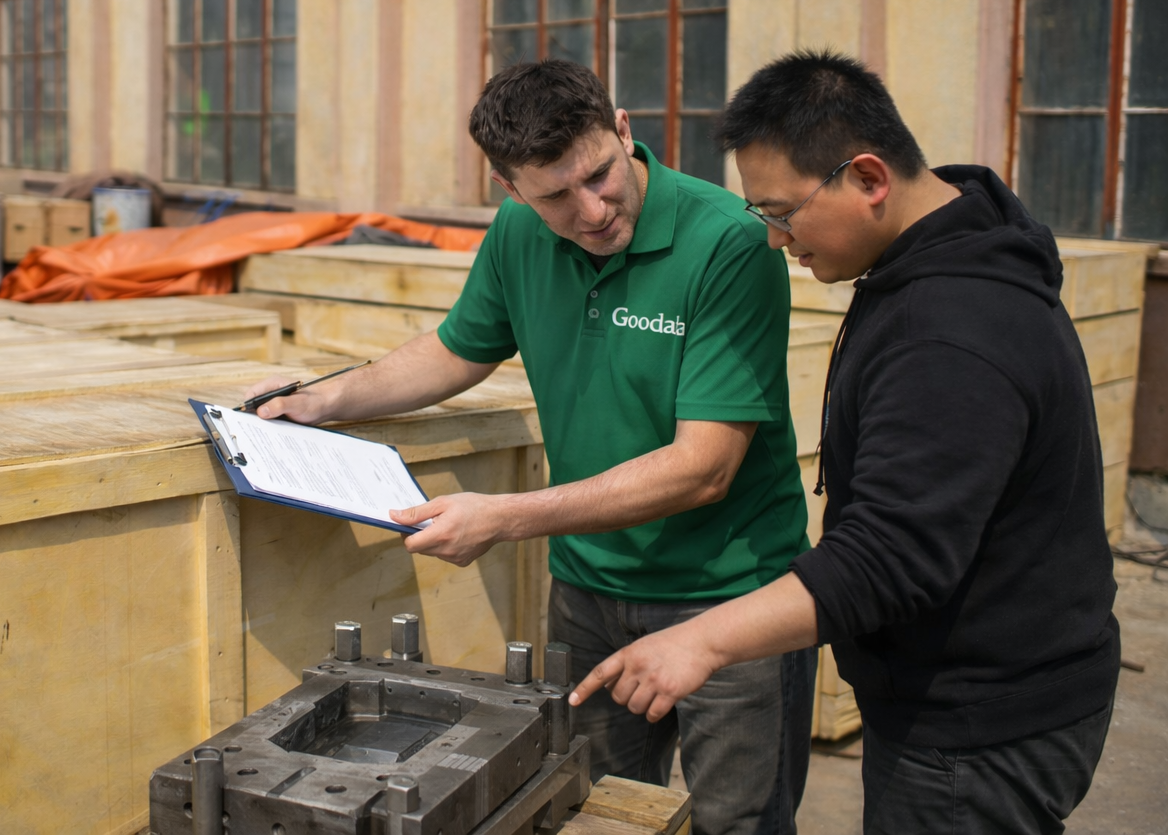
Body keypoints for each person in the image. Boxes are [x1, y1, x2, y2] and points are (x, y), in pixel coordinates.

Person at [244, 59, 815, 835]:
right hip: (587, 591)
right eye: (554, 196)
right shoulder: (519, 233)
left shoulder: (728, 244)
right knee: (596, 811)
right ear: (510, 191)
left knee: (738, 823)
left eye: (600, 176)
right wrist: (322, 398)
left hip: (730, 597)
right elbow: (457, 350)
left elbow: (703, 467)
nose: (592, 210)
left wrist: (503, 517)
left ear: (621, 130)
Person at [568, 51, 1119, 835]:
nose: (774, 239)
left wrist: (702, 639)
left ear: (868, 178)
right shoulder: (939, 251)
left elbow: (889, 558)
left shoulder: (949, 335)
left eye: (780, 212)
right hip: (970, 690)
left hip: (981, 722)